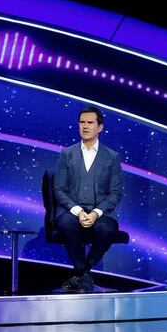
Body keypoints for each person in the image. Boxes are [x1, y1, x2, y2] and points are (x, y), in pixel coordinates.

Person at [53, 106, 123, 293]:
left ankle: (81, 273)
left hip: (101, 212)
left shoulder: (112, 157)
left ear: (99, 127)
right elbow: (59, 189)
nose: (85, 126)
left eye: (90, 122)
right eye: (82, 122)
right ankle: (82, 274)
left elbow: (115, 193)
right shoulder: (67, 154)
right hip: (72, 211)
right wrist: (78, 211)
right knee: (65, 223)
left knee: (106, 228)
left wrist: (96, 213)